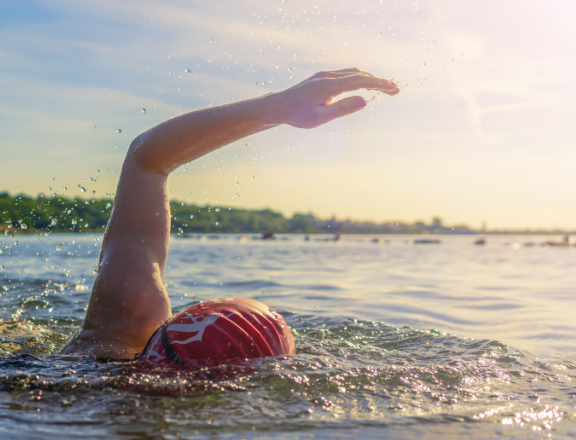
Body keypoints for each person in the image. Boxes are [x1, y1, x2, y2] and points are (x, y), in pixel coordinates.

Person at [60, 68, 399, 364]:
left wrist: (272, 108)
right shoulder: (117, 336)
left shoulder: (117, 333)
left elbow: (145, 159)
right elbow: (145, 161)